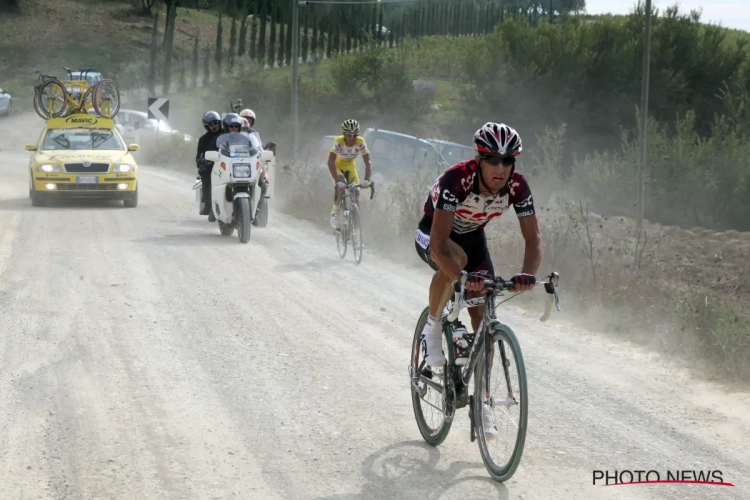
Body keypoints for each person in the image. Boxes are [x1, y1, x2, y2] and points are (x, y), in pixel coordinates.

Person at [414, 122, 543, 436]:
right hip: (434, 234)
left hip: (473, 237)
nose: (501, 168)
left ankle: (482, 404)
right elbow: (440, 244)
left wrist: (527, 275)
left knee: (483, 314)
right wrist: (460, 277)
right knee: (455, 262)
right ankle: (432, 328)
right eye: (493, 161)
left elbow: (534, 239)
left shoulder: (518, 187)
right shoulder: (456, 180)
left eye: (508, 161)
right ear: (479, 160)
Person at [327, 119, 373, 229]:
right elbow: (330, 162)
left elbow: (368, 162)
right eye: (349, 135)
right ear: (344, 134)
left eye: (355, 135)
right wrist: (337, 180)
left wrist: (367, 179)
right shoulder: (338, 141)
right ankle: (334, 212)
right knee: (341, 185)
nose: (352, 138)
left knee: (356, 192)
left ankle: (356, 233)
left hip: (350, 167)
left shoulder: (360, 142)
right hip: (337, 166)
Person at [196, 111, 222, 221]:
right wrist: (203, 161)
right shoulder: (203, 140)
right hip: (211, 167)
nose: (214, 126)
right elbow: (198, 157)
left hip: (227, 164)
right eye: (211, 124)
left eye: (215, 123)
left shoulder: (227, 134)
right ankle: (209, 206)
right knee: (207, 179)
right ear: (207, 126)